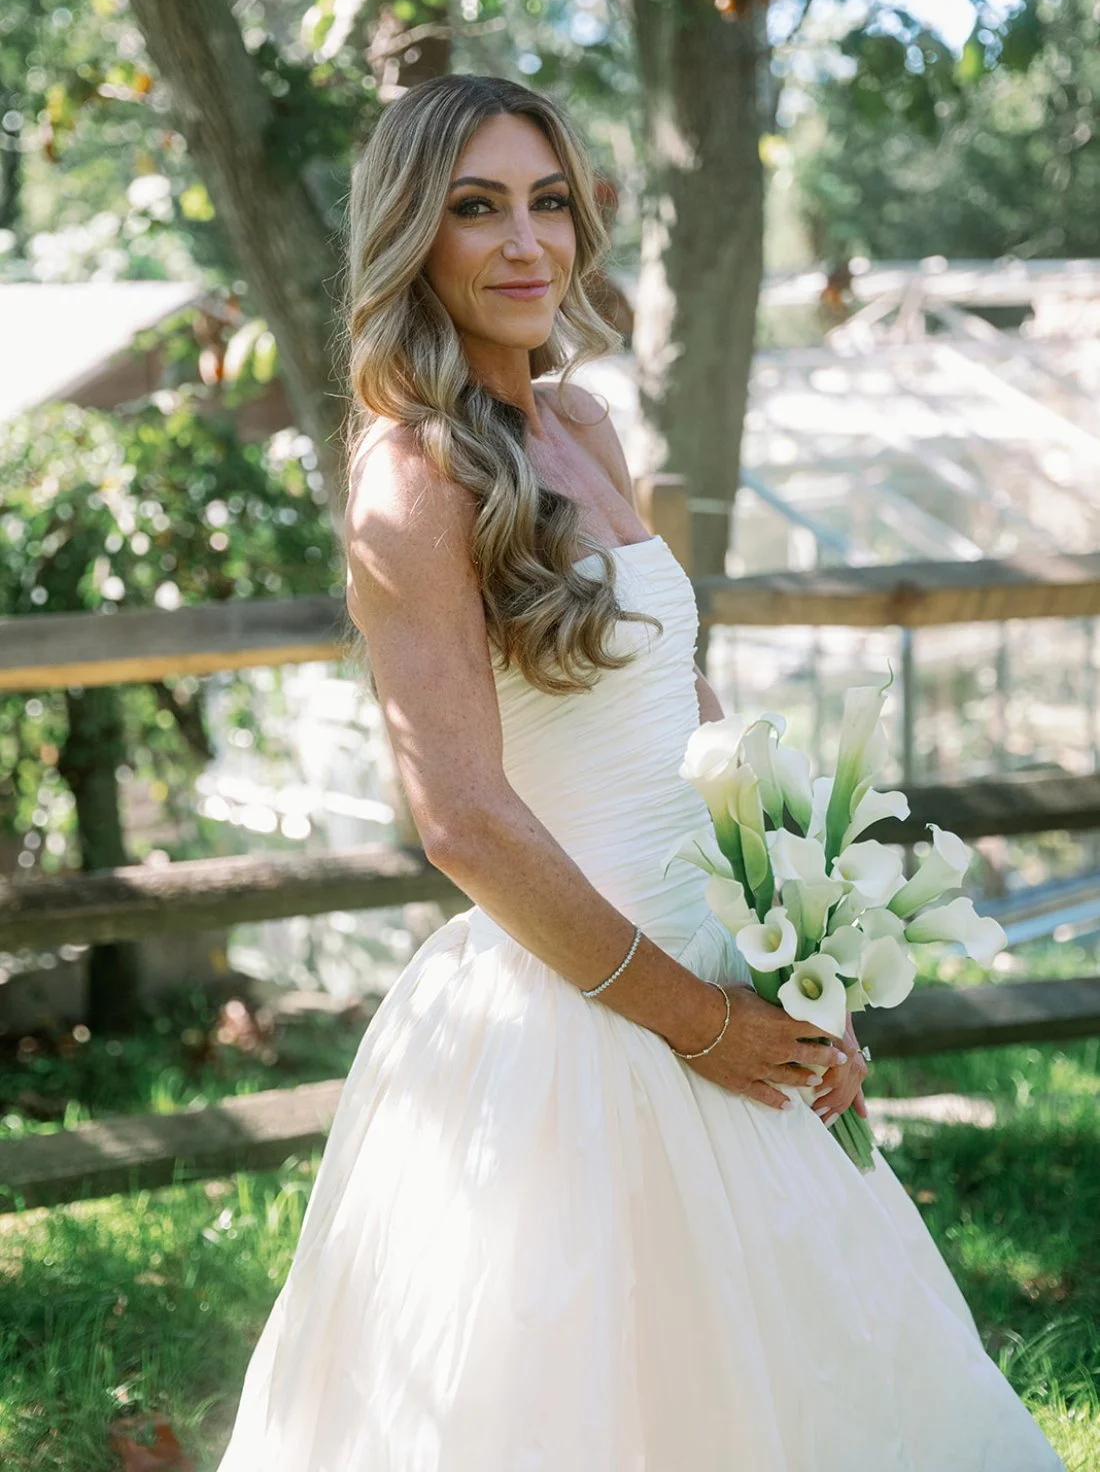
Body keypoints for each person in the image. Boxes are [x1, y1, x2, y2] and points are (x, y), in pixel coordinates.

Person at [214, 73, 1065, 1471]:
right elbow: (463, 820)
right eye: (478, 207)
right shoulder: (409, 479)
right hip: (577, 1000)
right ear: (413, 234)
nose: (526, 243)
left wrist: (803, 969)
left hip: (723, 945)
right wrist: (697, 1021)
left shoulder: (585, 426)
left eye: (548, 202)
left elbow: (692, 706)